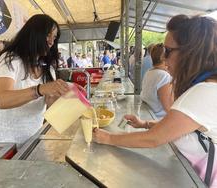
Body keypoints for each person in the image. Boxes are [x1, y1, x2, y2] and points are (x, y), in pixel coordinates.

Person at [93, 14, 217, 187]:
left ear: (190, 52)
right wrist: (145, 124)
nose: (164, 59)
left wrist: (107, 138)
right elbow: (177, 127)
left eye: (168, 51)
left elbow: (154, 139)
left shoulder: (203, 92)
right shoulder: (206, 87)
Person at [0, 14, 70, 147]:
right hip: (1, 141)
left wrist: (68, 96)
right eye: (47, 35)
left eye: (54, 37)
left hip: (30, 140)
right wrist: (40, 89)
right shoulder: (10, 59)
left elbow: (50, 105)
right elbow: (3, 99)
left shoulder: (48, 69)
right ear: (33, 34)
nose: (51, 42)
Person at [140, 43, 173, 119]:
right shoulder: (164, 76)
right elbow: (169, 108)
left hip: (149, 116)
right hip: (159, 120)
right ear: (165, 58)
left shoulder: (149, 72)